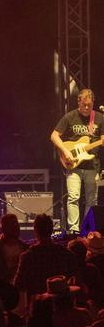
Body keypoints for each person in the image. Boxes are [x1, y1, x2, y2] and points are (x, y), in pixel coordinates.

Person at [50, 88, 104, 235]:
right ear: (78, 102)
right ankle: (73, 230)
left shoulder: (99, 118)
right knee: (73, 197)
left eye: (89, 105)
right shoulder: (70, 117)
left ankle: (87, 231)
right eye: (84, 105)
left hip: (92, 166)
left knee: (91, 201)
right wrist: (66, 151)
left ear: (93, 103)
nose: (86, 108)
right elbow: (54, 136)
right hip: (73, 164)